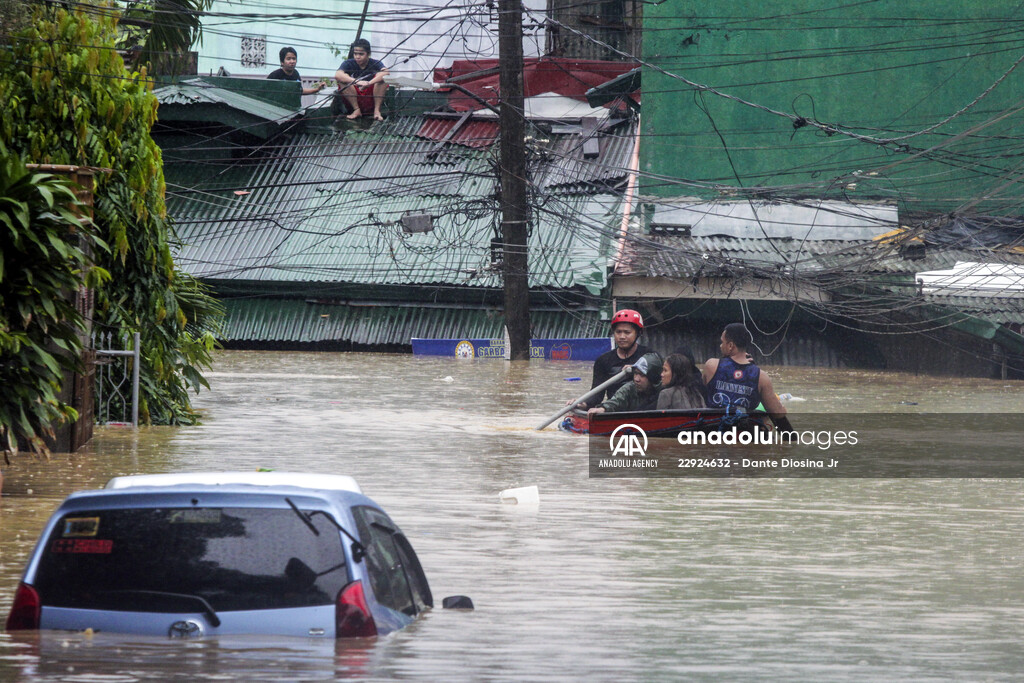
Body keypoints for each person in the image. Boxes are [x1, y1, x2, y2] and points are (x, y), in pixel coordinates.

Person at [703, 323, 791, 429]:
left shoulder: (711, 366)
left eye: (722, 342)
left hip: (712, 429)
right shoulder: (761, 376)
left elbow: (698, 396)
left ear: (730, 346)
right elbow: (778, 414)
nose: (721, 346)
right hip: (744, 433)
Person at [578, 309, 651, 409]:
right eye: (618, 332)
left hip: (643, 409)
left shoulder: (649, 356)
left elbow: (658, 386)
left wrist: (637, 370)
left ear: (638, 333)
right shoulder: (603, 361)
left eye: (627, 332)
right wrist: (584, 404)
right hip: (613, 410)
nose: (622, 336)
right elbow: (597, 395)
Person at [589, 352, 663, 415]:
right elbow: (616, 402)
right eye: (635, 373)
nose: (636, 379)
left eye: (642, 375)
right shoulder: (629, 388)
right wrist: (603, 409)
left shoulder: (665, 391)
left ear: (653, 377)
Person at [334, 38, 389, 120]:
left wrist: (369, 83)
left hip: (371, 99)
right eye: (355, 54)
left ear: (368, 54)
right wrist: (358, 82)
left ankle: (377, 111)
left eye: (361, 54)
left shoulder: (375, 63)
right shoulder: (349, 63)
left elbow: (386, 73)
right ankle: (356, 110)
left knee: (383, 79)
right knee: (343, 80)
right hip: (354, 99)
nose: (357, 57)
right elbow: (338, 75)